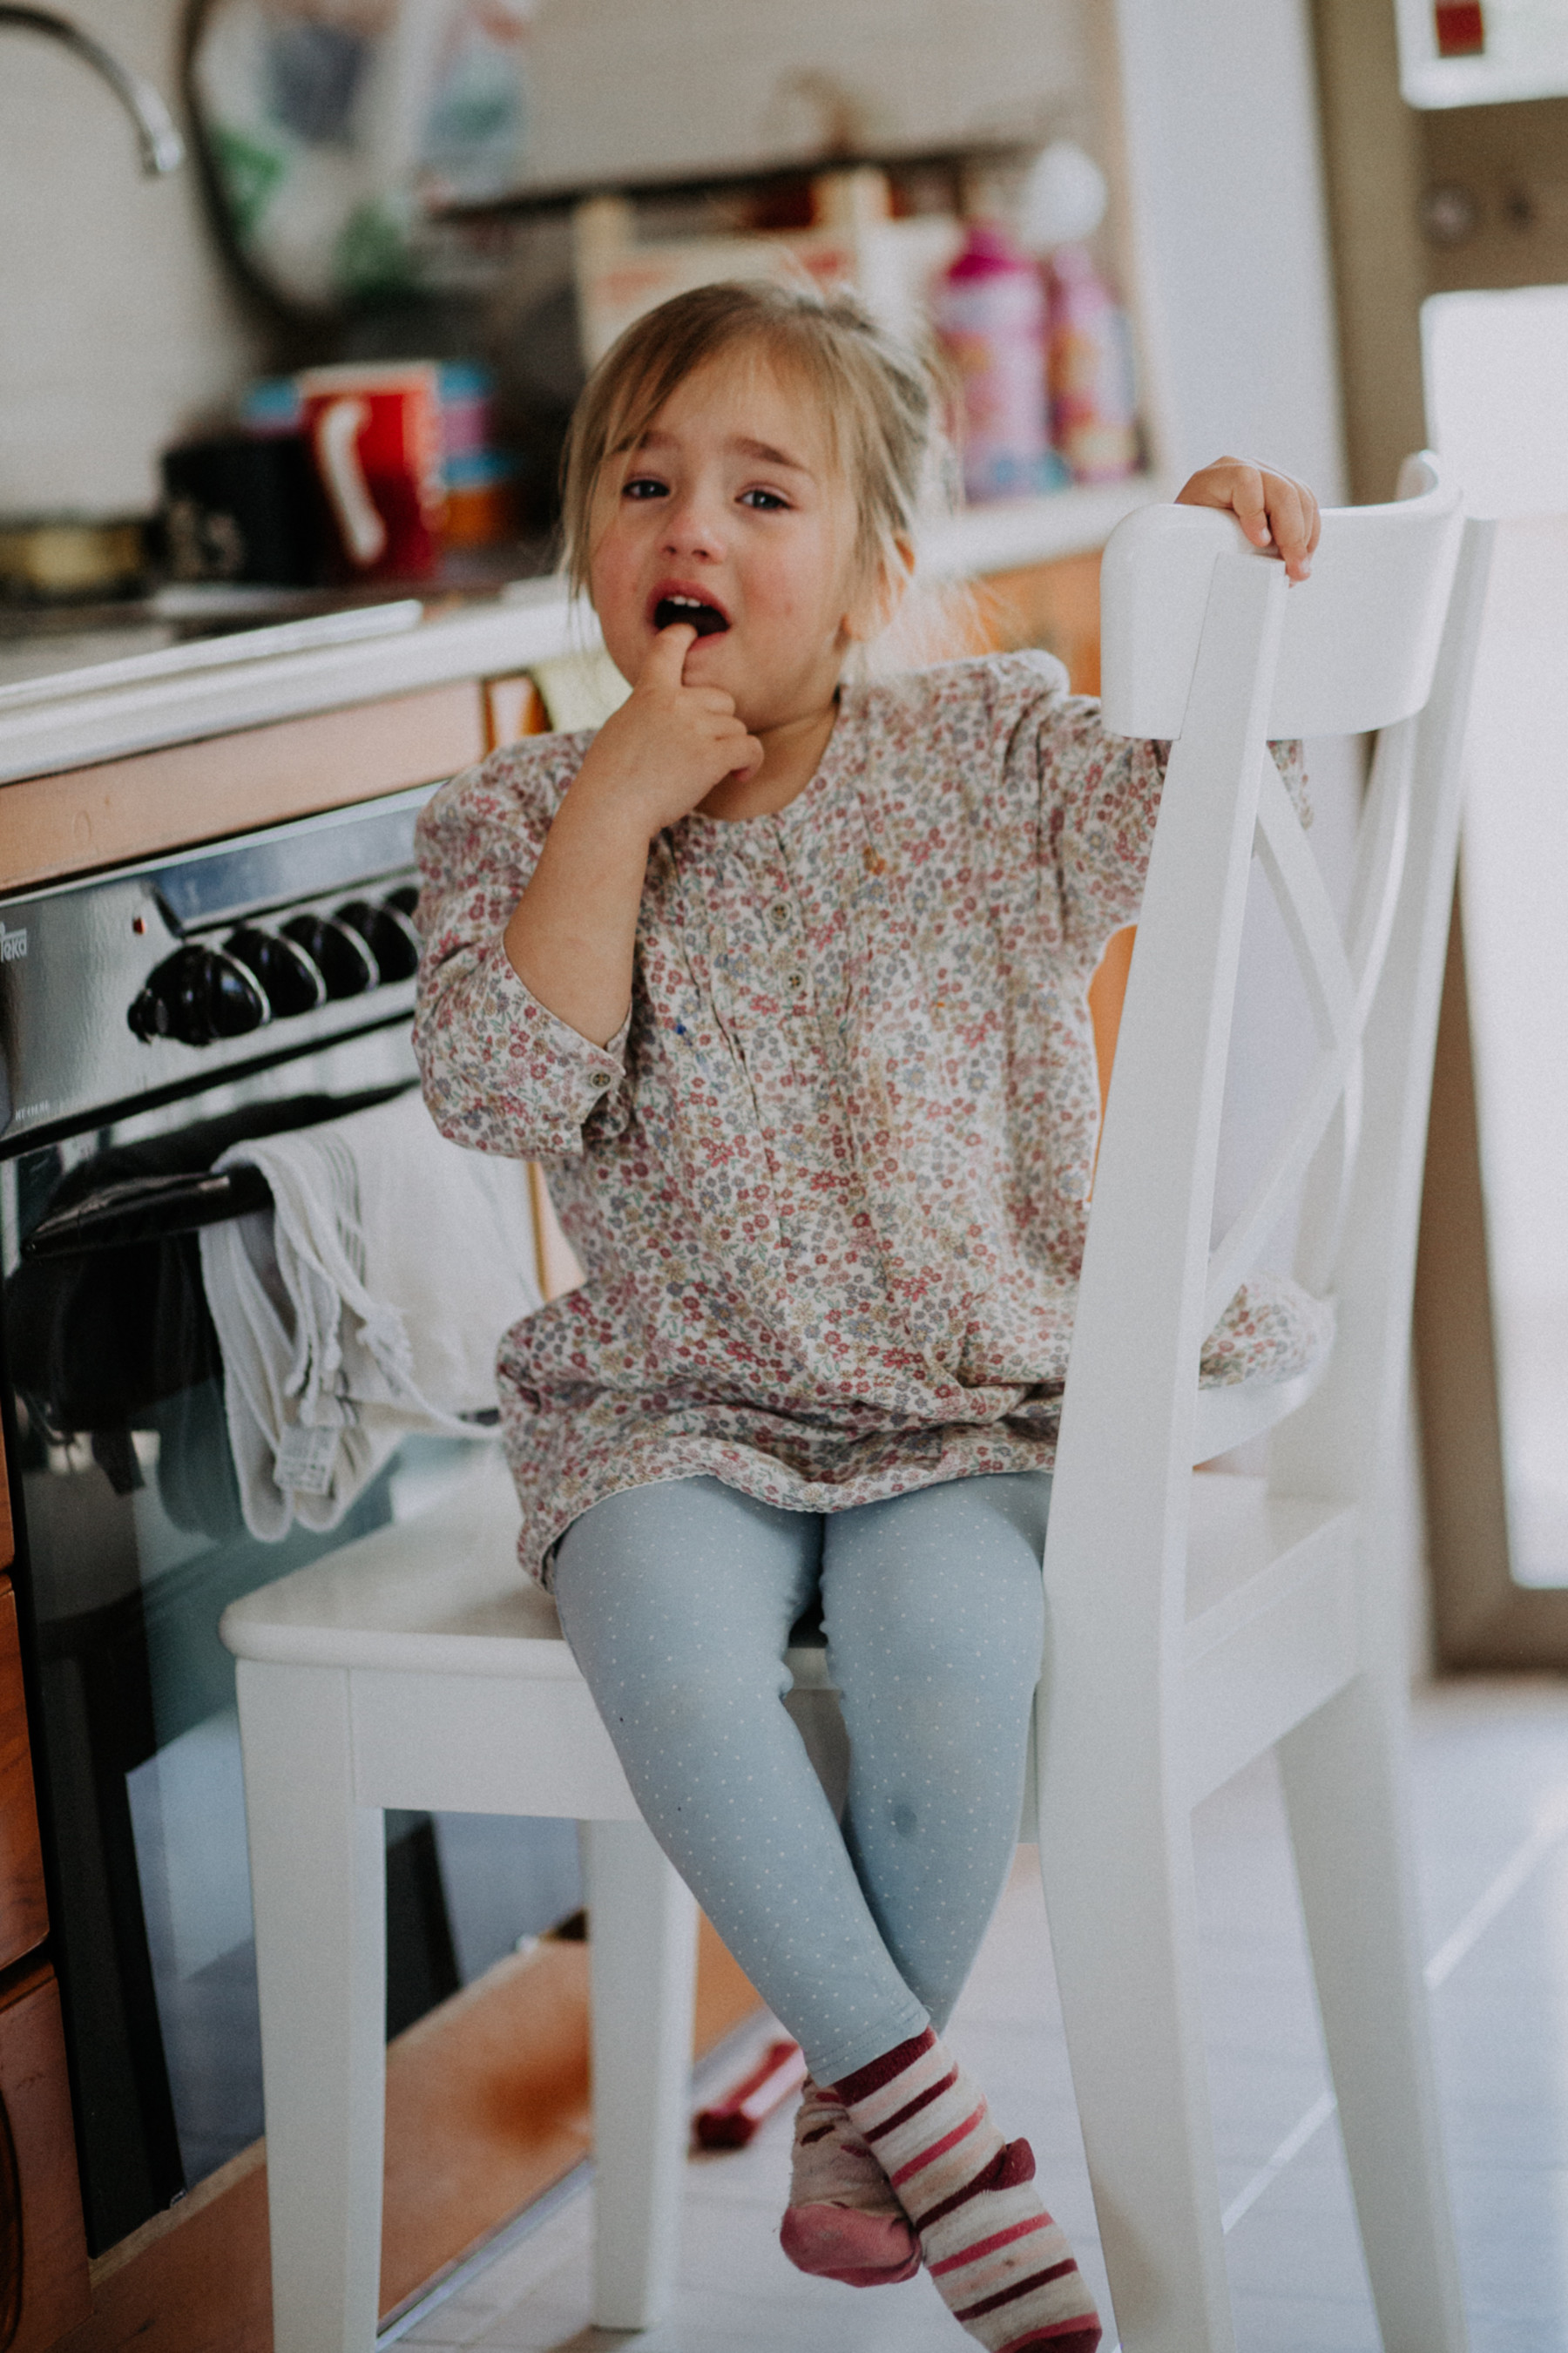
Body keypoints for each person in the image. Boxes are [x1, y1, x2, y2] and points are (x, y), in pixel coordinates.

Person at [414, 279, 1321, 2352]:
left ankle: (856, 2115)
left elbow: (1197, 815)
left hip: (966, 1387)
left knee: (954, 1649)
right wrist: (617, 811)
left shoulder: (986, 751)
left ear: (883, 569)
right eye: (644, 484)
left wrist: (1197, 593)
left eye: (763, 491)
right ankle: (933, 2116)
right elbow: (496, 1090)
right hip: (673, 1404)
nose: (694, 531)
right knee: (657, 1636)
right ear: (586, 547)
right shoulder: (517, 820)